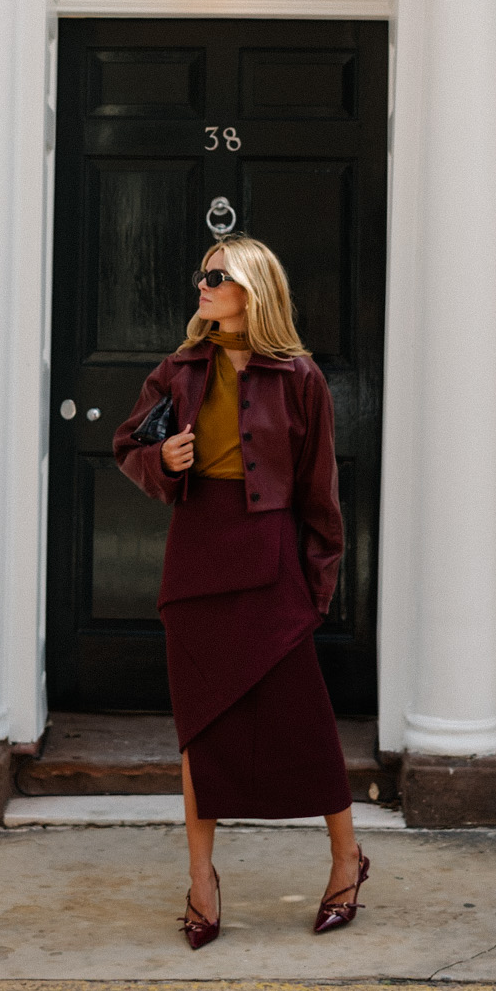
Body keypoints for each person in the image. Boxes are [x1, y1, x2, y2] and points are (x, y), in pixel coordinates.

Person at [113, 234, 368, 950]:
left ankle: (347, 859)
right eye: (202, 274)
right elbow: (127, 445)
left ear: (252, 290)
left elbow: (321, 495)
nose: (203, 285)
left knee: (305, 720)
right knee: (201, 730)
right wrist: (161, 458)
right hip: (197, 562)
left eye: (217, 276)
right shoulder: (178, 368)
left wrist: (316, 589)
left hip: (273, 563)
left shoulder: (300, 378)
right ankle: (202, 881)